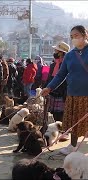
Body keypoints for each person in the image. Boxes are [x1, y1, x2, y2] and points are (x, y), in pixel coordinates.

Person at [41, 25, 88, 155]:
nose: (74, 38)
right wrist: (49, 87)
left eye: (76, 35)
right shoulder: (69, 56)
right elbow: (60, 75)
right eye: (72, 37)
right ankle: (72, 147)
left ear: (85, 35)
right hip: (72, 94)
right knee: (73, 123)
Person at [45, 42, 70, 122]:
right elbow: (50, 78)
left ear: (61, 52)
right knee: (51, 113)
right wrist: (47, 87)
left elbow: (63, 79)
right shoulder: (53, 65)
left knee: (60, 115)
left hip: (62, 94)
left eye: (56, 51)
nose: (54, 52)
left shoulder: (66, 64)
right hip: (53, 92)